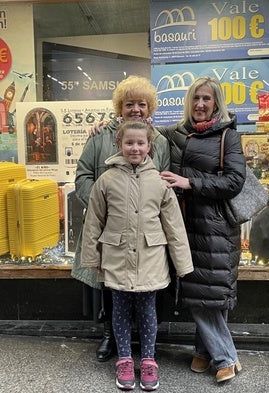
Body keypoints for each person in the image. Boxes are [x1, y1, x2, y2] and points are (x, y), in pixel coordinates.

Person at [80, 121, 193, 391]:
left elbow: (174, 225)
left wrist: (182, 263)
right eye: (129, 143)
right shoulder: (106, 180)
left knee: (147, 310)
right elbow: (94, 221)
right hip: (117, 257)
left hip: (150, 258)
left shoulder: (160, 181)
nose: (135, 148)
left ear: (149, 146)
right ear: (119, 144)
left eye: (140, 143)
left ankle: (149, 358)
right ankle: (125, 360)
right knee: (118, 309)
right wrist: (91, 259)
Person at [71, 75, 171, 363]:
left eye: (142, 104)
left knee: (144, 285)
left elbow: (163, 181)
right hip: (107, 226)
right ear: (120, 107)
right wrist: (104, 204)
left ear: (149, 106)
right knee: (109, 282)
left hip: (144, 228)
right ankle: (109, 335)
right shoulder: (100, 136)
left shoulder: (160, 141)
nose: (136, 109)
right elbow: (83, 175)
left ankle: (141, 343)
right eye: (130, 104)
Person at [158, 76, 246, 383]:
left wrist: (190, 183)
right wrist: (105, 125)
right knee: (204, 292)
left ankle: (225, 357)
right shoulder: (175, 133)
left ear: (216, 103)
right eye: (196, 98)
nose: (200, 104)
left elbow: (235, 182)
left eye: (207, 99)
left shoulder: (227, 135)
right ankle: (203, 350)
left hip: (216, 227)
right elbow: (138, 131)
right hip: (183, 224)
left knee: (207, 291)